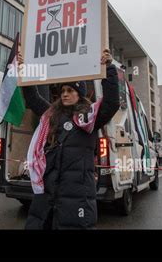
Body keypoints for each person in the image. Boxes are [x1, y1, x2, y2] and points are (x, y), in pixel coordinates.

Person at [21, 49, 119, 229]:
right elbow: (33, 98)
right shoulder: (51, 115)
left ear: (79, 94)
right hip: (48, 194)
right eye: (63, 90)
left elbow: (111, 103)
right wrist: (24, 71)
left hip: (78, 196)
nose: (65, 94)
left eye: (70, 90)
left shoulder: (90, 118)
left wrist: (109, 68)